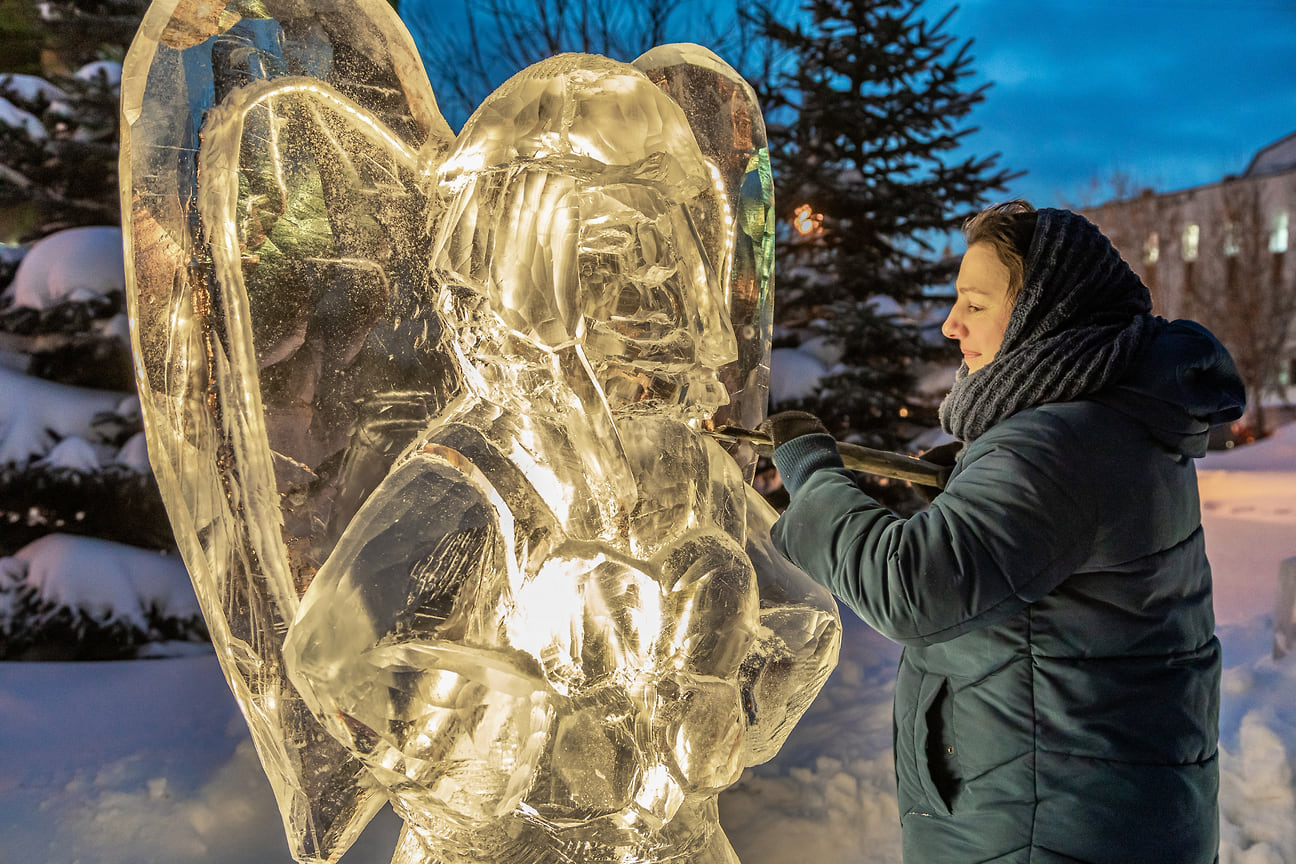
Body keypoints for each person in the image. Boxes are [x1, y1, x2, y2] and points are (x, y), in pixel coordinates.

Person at [762, 200, 1244, 863]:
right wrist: (965, 489)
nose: (950, 323)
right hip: (1099, 807)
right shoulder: (1118, 417)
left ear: (1045, 316)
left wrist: (814, 480)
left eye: (976, 304)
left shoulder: (1061, 442)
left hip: (1045, 828)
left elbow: (914, 587)